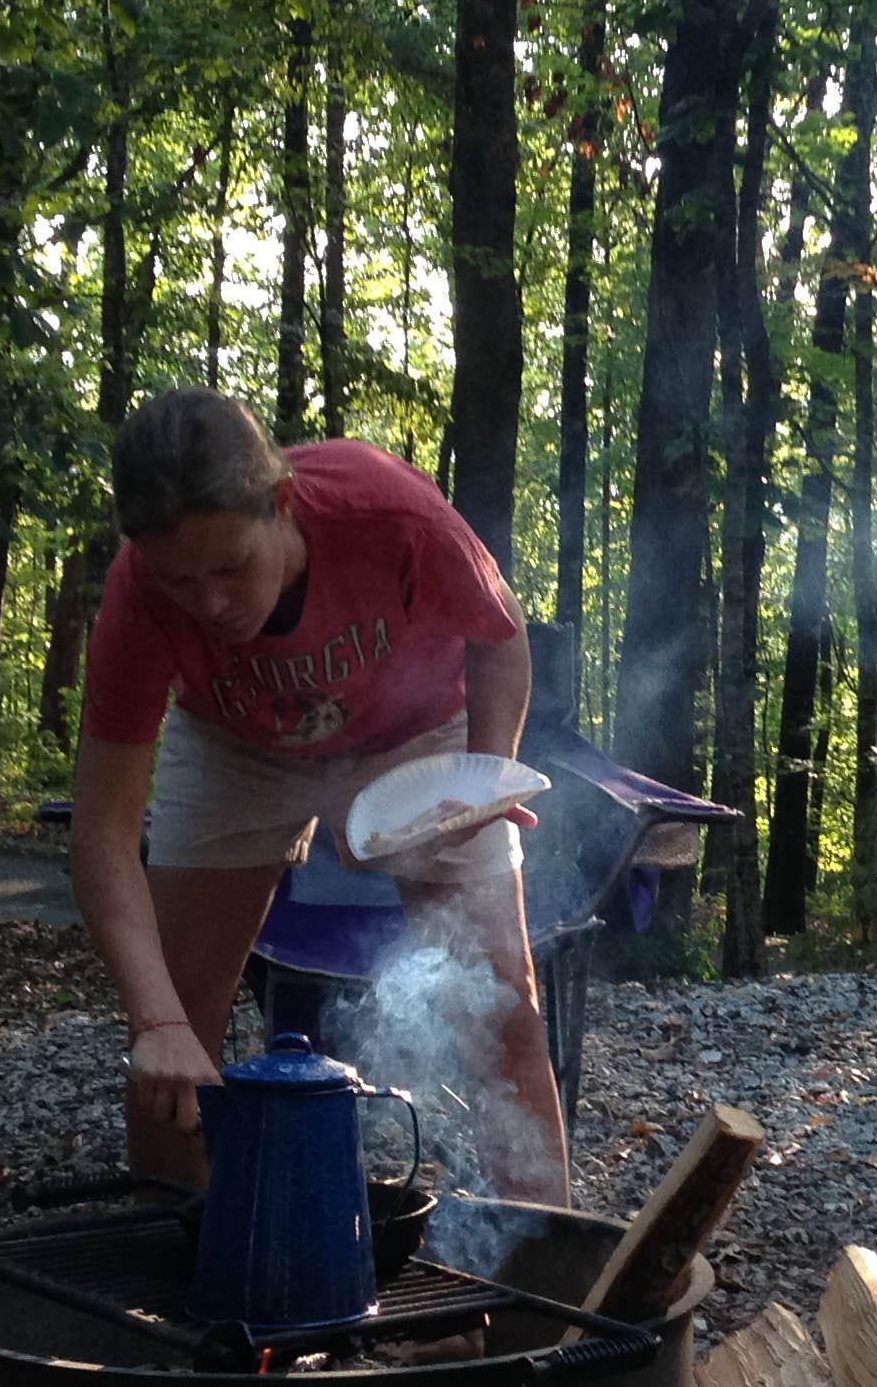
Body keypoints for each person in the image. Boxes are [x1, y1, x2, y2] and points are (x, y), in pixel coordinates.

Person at [70, 388, 568, 1203]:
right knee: (169, 1040)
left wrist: (479, 780)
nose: (212, 604)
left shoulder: (387, 510)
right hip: (236, 747)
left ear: (283, 504)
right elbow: (101, 834)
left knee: (503, 1016)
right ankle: (181, 1286)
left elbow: (501, 637)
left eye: (231, 567)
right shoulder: (136, 596)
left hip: (414, 730)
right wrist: (155, 1022)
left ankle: (540, 1283)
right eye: (180, 582)